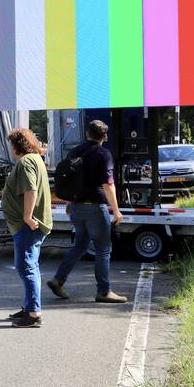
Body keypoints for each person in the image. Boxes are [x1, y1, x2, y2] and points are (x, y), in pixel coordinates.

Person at [46, 120, 127, 304]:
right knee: (103, 249)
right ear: (104, 136)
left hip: (76, 207)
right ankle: (104, 291)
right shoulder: (104, 154)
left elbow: (71, 180)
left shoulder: (75, 151)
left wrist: (69, 202)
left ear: (87, 134)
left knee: (80, 245)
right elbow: (108, 184)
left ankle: (58, 280)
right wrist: (116, 210)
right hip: (94, 207)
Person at [1, 129, 53, 328]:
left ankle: (33, 314)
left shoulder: (25, 162)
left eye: (12, 145)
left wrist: (27, 216)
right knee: (30, 265)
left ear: (17, 146)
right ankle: (29, 307)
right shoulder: (35, 158)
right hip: (29, 224)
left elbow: (30, 189)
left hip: (27, 225)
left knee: (26, 266)